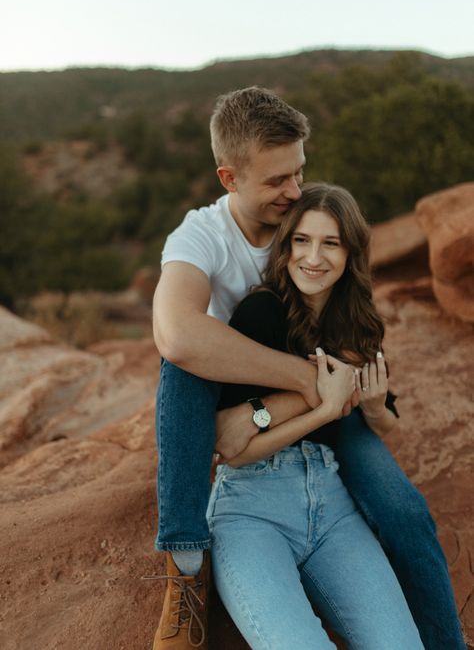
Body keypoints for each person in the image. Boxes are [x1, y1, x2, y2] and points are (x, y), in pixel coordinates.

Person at [150, 87, 466, 650]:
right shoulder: (202, 237)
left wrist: (352, 396)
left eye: (299, 173)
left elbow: (359, 370)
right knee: (181, 362)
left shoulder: (309, 222)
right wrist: (308, 382)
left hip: (328, 419)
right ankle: (185, 560)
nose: (293, 192)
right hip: (260, 399)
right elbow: (176, 335)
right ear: (229, 179)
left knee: (404, 511)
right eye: (276, 181)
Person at [207, 182, 424, 649]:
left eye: (330, 243)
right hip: (251, 509)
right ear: (285, 248)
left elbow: (389, 421)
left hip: (333, 508)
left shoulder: (358, 321)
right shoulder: (261, 312)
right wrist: (323, 406)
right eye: (302, 241)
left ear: (350, 253)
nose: (314, 257)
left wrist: (370, 405)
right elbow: (231, 450)